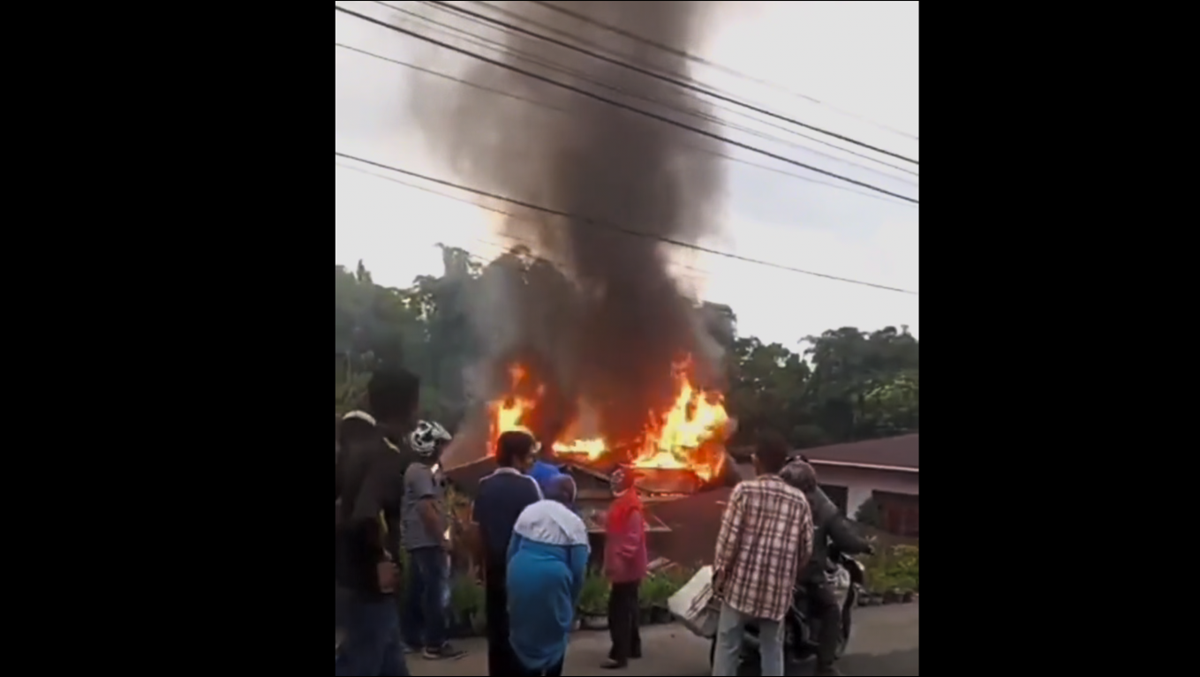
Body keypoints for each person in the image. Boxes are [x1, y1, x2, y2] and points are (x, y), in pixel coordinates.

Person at [334, 368, 422, 677]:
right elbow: (365, 514)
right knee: (359, 663)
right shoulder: (385, 454)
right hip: (367, 585)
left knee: (390, 663)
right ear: (410, 406)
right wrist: (380, 559)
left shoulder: (355, 450)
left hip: (352, 577)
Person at [710, 432, 814, 677]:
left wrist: (720, 576)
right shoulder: (799, 501)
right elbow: (805, 550)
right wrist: (787, 576)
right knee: (772, 649)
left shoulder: (744, 491)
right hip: (776, 594)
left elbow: (728, 541)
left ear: (756, 461)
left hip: (739, 589)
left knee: (727, 645)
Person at [779, 459, 873, 676]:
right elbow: (844, 537)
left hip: (771, 569)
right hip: (804, 575)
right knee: (831, 610)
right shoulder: (820, 506)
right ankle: (825, 666)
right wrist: (864, 546)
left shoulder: (778, 500)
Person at [473, 430, 544, 676]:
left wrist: (479, 566)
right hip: (522, 571)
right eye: (529, 457)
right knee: (523, 630)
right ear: (516, 458)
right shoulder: (529, 486)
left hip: (493, 569)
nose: (532, 462)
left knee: (497, 630)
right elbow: (538, 530)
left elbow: (477, 531)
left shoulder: (483, 485)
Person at [506, 474, 590, 677]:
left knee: (523, 630)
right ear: (570, 496)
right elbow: (578, 569)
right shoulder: (575, 523)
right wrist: (571, 603)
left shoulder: (529, 511)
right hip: (554, 580)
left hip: (520, 572)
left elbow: (511, 551)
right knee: (554, 633)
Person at [399, 420, 464, 660]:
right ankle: (435, 644)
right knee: (435, 591)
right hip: (427, 541)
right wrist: (442, 538)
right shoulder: (420, 473)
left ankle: (410, 639)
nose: (443, 449)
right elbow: (427, 510)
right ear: (429, 446)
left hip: (420, 541)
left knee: (417, 589)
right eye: (439, 444)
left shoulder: (421, 472)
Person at [601, 466, 647, 669]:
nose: (613, 480)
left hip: (626, 568)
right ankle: (633, 647)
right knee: (629, 607)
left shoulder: (630, 505)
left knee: (618, 611)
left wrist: (619, 561)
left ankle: (619, 655)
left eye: (618, 477)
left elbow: (632, 537)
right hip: (629, 567)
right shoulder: (625, 502)